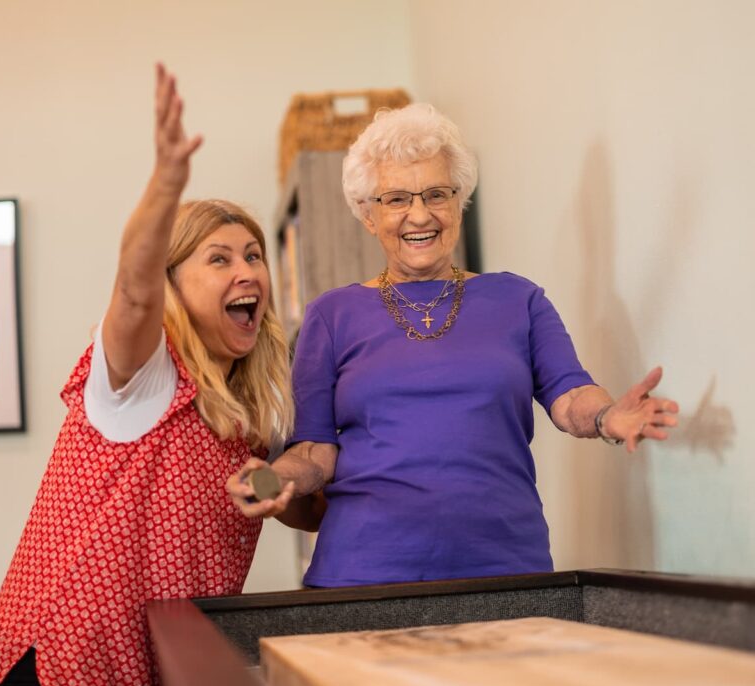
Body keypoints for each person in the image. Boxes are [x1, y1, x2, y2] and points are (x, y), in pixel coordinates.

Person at [227, 102, 679, 588]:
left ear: (458, 201)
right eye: (396, 199)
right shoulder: (331, 316)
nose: (419, 214)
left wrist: (607, 418)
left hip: (506, 570)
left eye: (436, 194)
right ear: (367, 215)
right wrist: (274, 480)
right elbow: (315, 452)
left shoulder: (518, 300)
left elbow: (570, 396)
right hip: (363, 576)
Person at [0, 64, 293, 686]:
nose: (246, 270)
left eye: (253, 255)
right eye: (218, 258)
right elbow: (130, 294)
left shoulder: (239, 422)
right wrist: (165, 185)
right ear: (175, 290)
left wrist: (287, 488)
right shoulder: (144, 380)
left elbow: (299, 500)